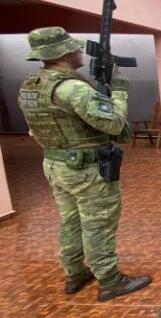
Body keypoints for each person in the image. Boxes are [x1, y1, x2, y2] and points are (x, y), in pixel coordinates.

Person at [17, 27, 152, 301]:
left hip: (55, 164)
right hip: (86, 169)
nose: (80, 51)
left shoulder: (31, 85)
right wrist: (119, 91)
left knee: (70, 221)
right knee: (98, 222)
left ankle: (75, 272)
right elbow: (113, 122)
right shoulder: (73, 88)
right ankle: (110, 280)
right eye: (75, 48)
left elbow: (37, 128)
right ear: (64, 53)